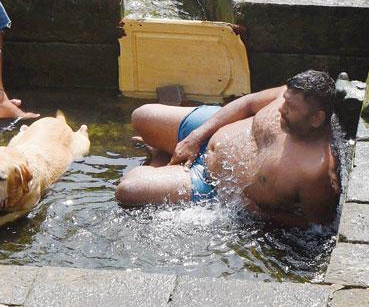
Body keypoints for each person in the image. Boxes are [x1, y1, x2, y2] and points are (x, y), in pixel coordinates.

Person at [116, 70, 341, 227]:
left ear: (316, 119)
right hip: (212, 130)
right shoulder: (292, 94)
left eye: (290, 108)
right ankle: (167, 154)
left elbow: (316, 226)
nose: (281, 108)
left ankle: (160, 157)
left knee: (128, 189)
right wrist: (196, 136)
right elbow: (248, 103)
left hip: (212, 184)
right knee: (141, 116)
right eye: (284, 101)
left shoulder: (316, 170)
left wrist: (258, 212)